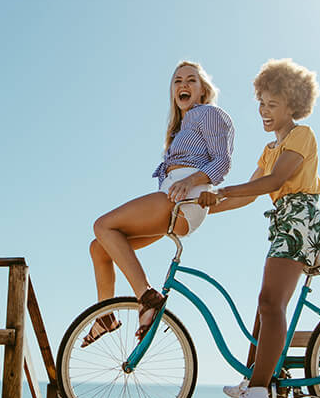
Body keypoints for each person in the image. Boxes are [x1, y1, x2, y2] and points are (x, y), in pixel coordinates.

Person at [198, 58, 320, 398]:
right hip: (284, 223)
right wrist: (201, 213)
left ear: (293, 105)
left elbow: (273, 183)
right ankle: (254, 383)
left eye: (273, 105)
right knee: (265, 309)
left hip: (300, 220)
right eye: (262, 103)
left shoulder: (301, 136)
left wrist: (220, 190)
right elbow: (247, 195)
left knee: (270, 304)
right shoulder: (269, 150)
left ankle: (258, 396)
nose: (264, 111)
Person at [84, 61, 235, 346]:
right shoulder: (180, 127)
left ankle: (148, 298)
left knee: (102, 225)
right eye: (177, 81)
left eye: (191, 80)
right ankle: (105, 316)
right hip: (173, 199)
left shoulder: (209, 113)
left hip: (182, 200)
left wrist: (189, 183)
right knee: (99, 247)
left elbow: (222, 161)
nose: (183, 85)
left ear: (203, 91)